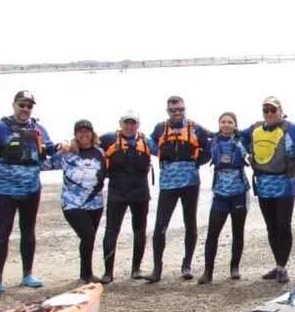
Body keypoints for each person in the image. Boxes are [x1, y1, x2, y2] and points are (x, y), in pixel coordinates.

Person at [0, 90, 56, 295]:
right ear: (14, 105)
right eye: (22, 105)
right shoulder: (0, 129)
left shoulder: (38, 128)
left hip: (32, 188)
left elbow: (49, 148)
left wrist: (64, 147)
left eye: (29, 106)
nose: (25, 109)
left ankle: (27, 274)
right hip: (5, 189)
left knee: (28, 231)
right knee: (2, 233)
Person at [142, 96, 211, 282]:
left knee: (191, 223)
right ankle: (157, 269)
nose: (177, 113)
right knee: (160, 226)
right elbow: (147, 142)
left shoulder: (195, 128)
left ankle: (187, 265)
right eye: (173, 110)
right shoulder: (160, 128)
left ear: (185, 109)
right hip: (168, 183)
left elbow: (209, 146)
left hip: (190, 182)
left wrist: (198, 161)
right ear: (168, 111)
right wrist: (158, 153)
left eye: (180, 109)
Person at [240, 96, 295, 283]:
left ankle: (282, 267)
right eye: (266, 110)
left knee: (283, 226)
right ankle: (278, 264)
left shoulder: (293, 129)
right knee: (271, 227)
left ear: (281, 110)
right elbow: (235, 135)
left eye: (273, 110)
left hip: (285, 185)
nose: (269, 114)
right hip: (263, 185)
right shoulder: (255, 128)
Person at [50, 120, 106, 284]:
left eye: (87, 131)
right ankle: (87, 274)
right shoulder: (67, 154)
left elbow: (109, 170)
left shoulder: (100, 152)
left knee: (89, 237)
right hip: (72, 204)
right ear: (75, 135)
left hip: (96, 203)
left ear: (92, 133)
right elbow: (43, 164)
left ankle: (84, 273)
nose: (84, 135)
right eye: (80, 132)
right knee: (87, 235)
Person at [99, 112, 152, 284]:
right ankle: (108, 272)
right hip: (117, 191)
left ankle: (136, 269)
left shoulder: (147, 141)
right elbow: (86, 143)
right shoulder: (107, 139)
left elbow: (166, 149)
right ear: (120, 124)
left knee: (139, 230)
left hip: (140, 192)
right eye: (126, 123)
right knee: (111, 231)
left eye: (133, 123)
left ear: (138, 124)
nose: (129, 126)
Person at [199, 111, 249, 284]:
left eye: (230, 122)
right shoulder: (212, 141)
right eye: (223, 122)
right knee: (212, 232)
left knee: (238, 231)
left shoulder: (243, 140)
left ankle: (234, 267)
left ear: (235, 125)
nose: (226, 125)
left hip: (239, 192)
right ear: (219, 124)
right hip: (220, 193)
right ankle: (208, 271)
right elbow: (200, 159)